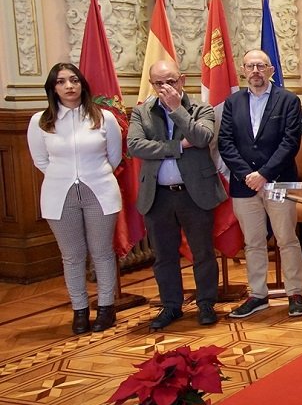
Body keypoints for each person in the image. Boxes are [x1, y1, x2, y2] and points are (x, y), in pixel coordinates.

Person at [128, 59, 227, 330]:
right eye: (159, 83)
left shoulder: (200, 108)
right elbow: (135, 146)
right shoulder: (142, 112)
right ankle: (171, 305)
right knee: (164, 256)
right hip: (158, 195)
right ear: (152, 84)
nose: (165, 88)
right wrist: (177, 146)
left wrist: (176, 109)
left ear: (182, 80)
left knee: (203, 253)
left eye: (171, 81)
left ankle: (206, 304)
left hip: (194, 193)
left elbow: (202, 138)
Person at [26, 63, 123, 334]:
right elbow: (41, 161)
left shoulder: (104, 117)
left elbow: (114, 157)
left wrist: (93, 175)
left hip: (100, 192)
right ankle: (79, 310)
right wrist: (65, 176)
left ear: (82, 84)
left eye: (74, 80)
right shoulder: (40, 121)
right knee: (72, 256)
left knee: (102, 253)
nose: (69, 86)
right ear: (53, 88)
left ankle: (106, 307)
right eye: (61, 82)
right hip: (60, 195)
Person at [218, 49, 302, 319]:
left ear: (271, 70)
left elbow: (290, 142)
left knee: (286, 239)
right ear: (243, 70)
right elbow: (225, 142)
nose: (255, 71)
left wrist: (264, 174)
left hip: (278, 182)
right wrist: (248, 174)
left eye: (261, 66)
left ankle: (295, 293)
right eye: (250, 66)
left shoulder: (288, 100)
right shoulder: (232, 102)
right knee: (253, 242)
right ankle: (257, 295)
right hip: (244, 184)